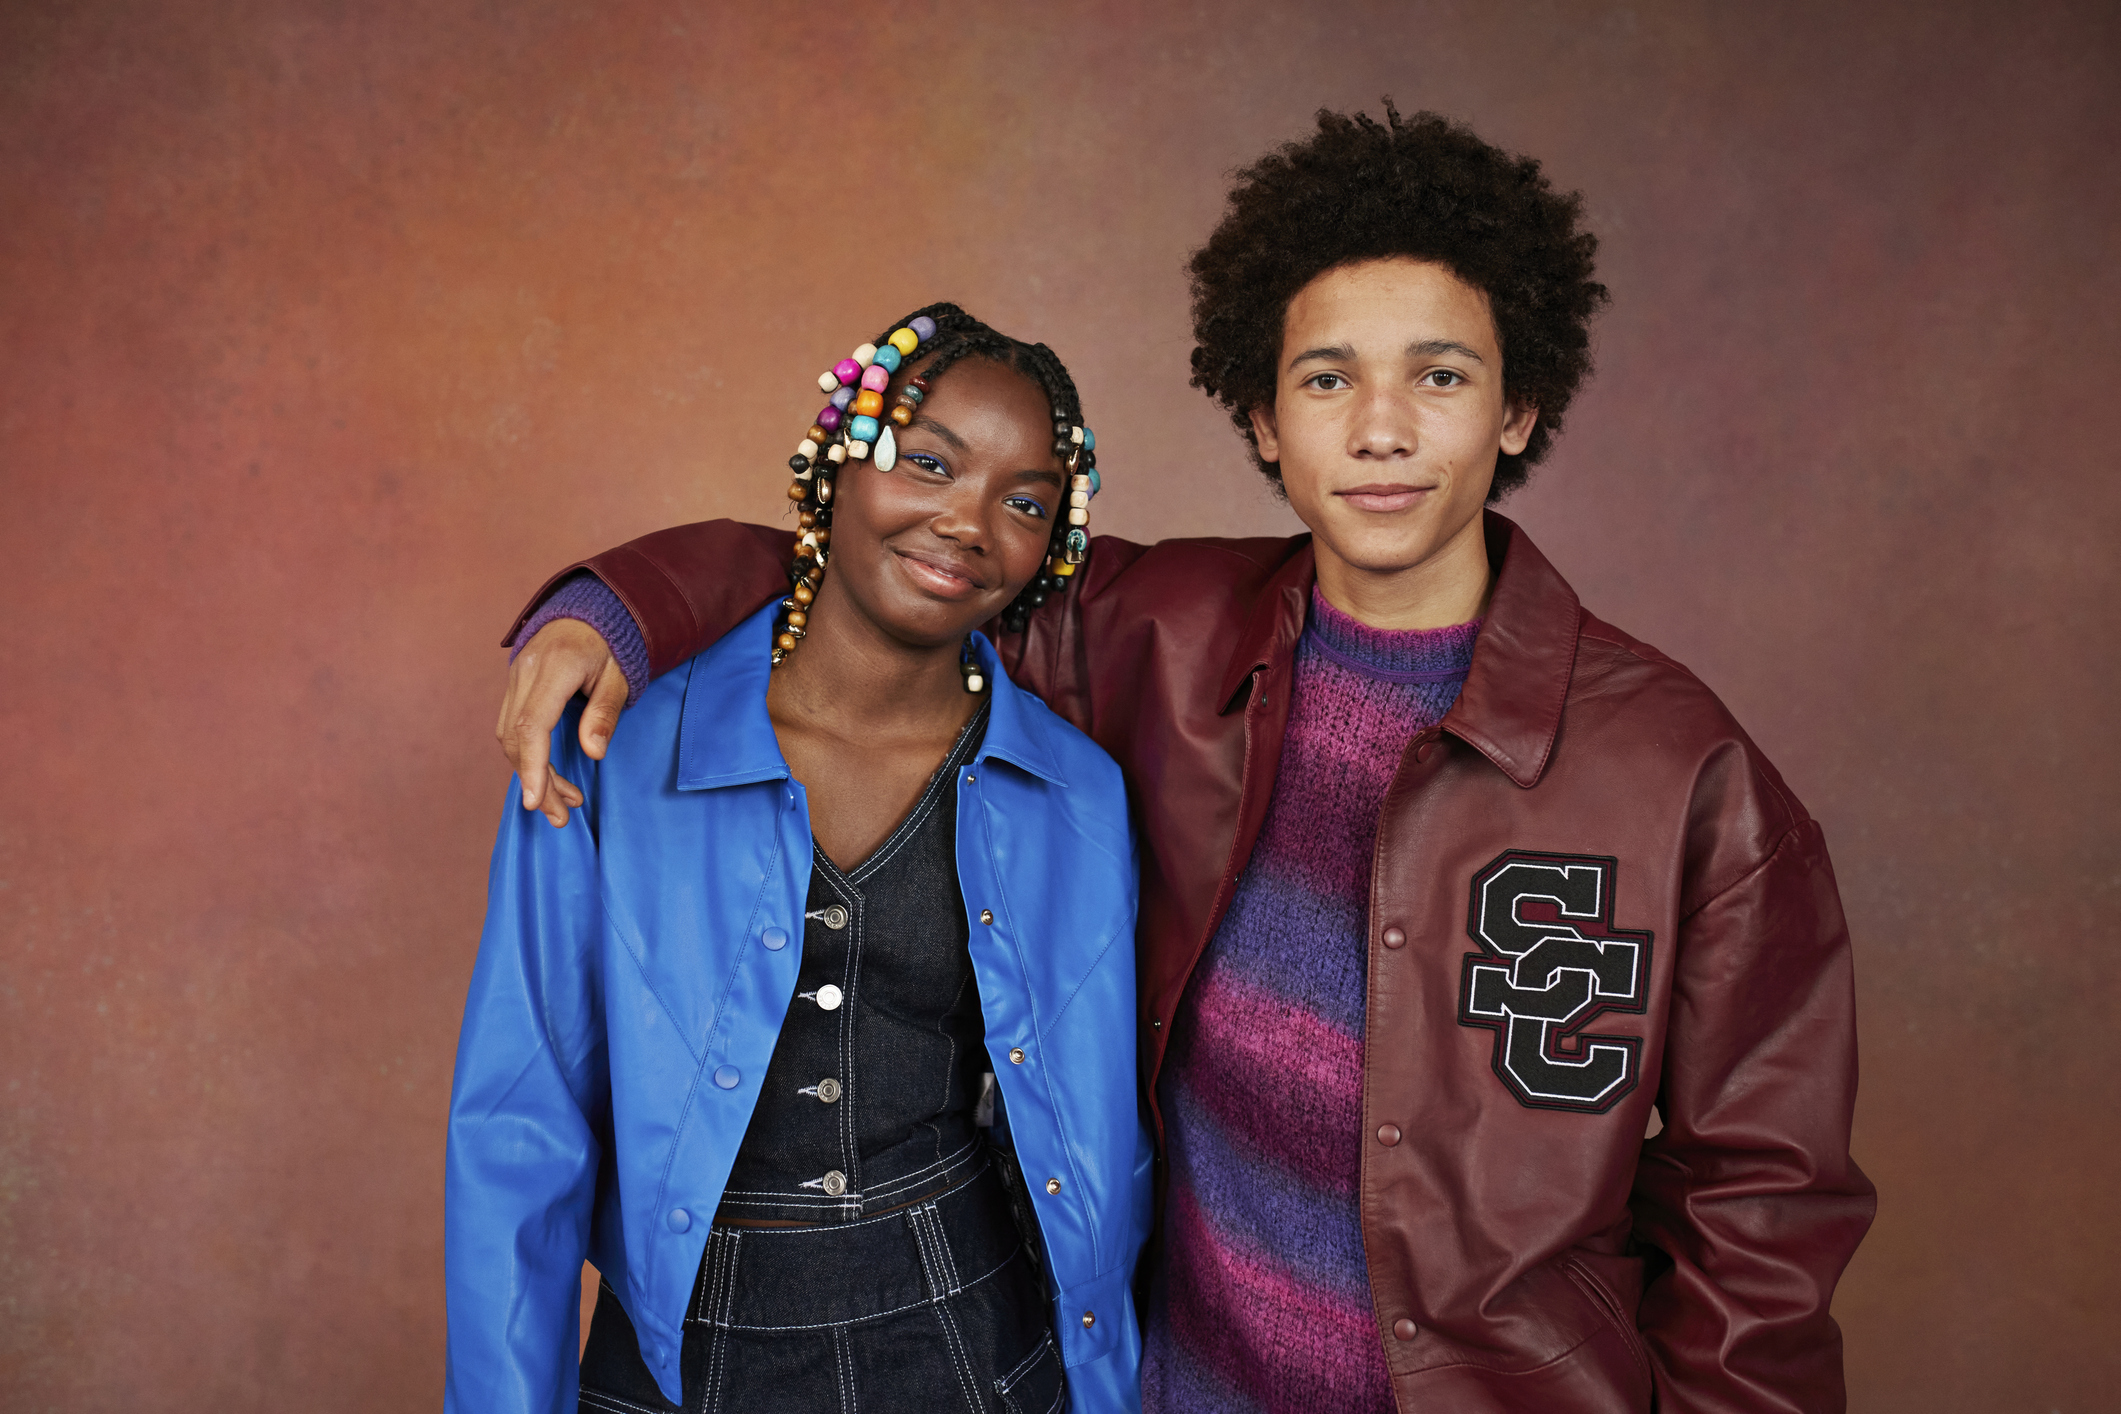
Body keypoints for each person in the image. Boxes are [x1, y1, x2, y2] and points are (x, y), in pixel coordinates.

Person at [494, 107, 1875, 1412]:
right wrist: (622, 603)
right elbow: (894, 565)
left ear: (1518, 408)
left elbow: (1758, 1204)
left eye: (1438, 376)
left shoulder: (1684, 776)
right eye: (1326, 377)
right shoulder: (1149, 632)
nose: (1380, 426)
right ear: (1265, 422)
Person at [446, 306, 1152, 1414]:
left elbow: (1100, 1145)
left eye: (1025, 502)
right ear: (838, 461)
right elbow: (517, 1130)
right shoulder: (610, 748)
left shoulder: (1074, 793)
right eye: (928, 461)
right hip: (673, 1360)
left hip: (975, 1346)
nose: (967, 521)